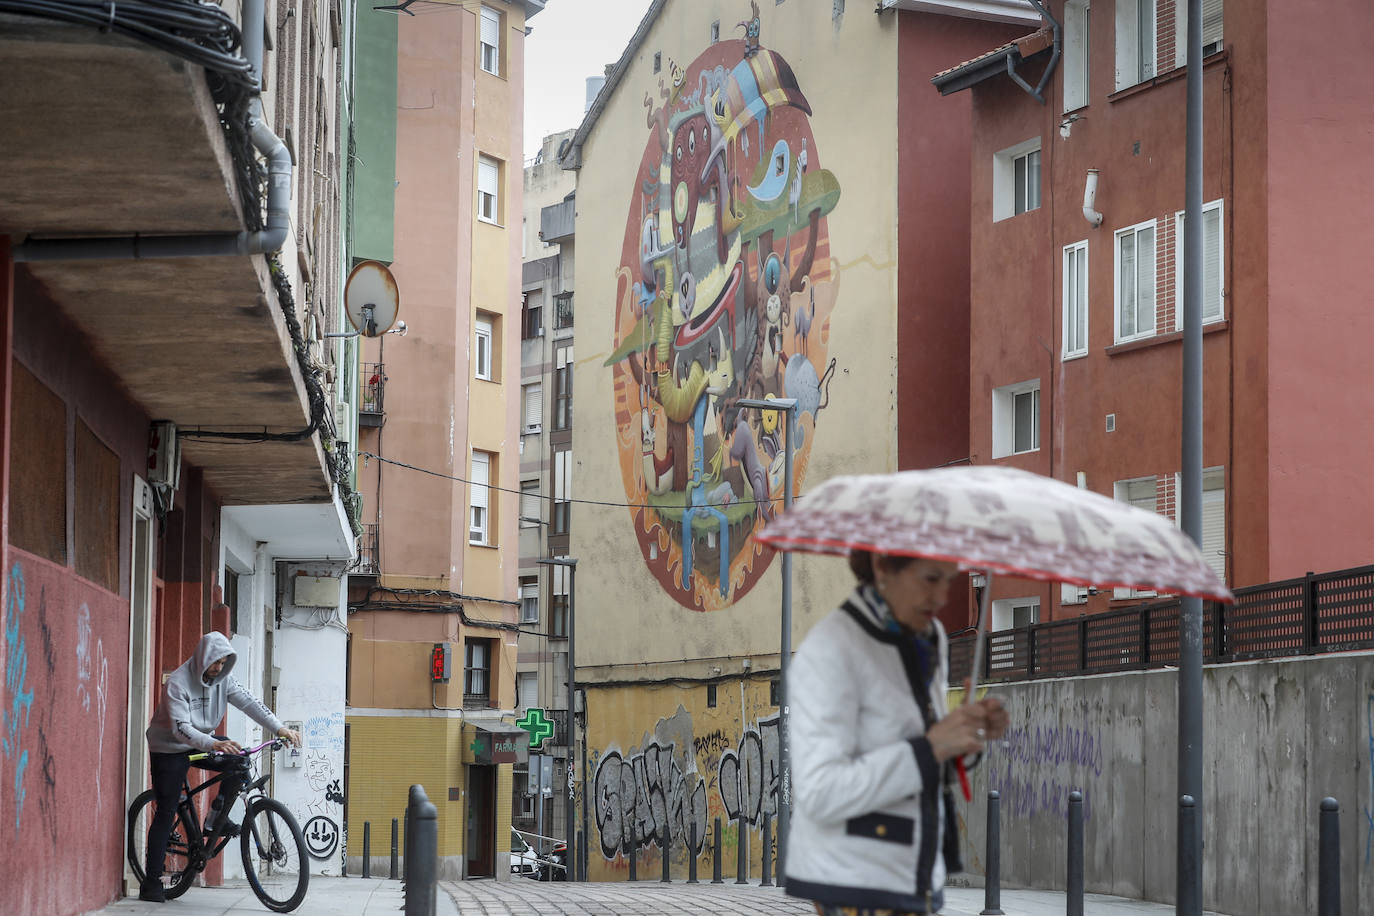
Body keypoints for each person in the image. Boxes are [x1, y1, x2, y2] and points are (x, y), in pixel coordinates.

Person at [785, 550, 1010, 915]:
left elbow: (923, 755)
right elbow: (820, 791)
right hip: (853, 880)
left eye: (949, 580)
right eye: (930, 579)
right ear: (882, 567)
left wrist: (967, 733)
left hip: (916, 871)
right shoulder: (829, 650)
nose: (941, 597)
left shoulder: (930, 636)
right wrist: (932, 747)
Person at [140, 631, 300, 903]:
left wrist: (279, 726)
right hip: (168, 747)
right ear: (203, 657)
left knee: (239, 760)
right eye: (215, 662)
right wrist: (213, 743)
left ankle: (216, 818)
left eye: (223, 662)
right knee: (167, 811)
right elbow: (180, 729)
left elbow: (250, 703)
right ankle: (151, 883)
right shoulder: (178, 683)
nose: (218, 668)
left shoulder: (224, 679)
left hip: (202, 741)